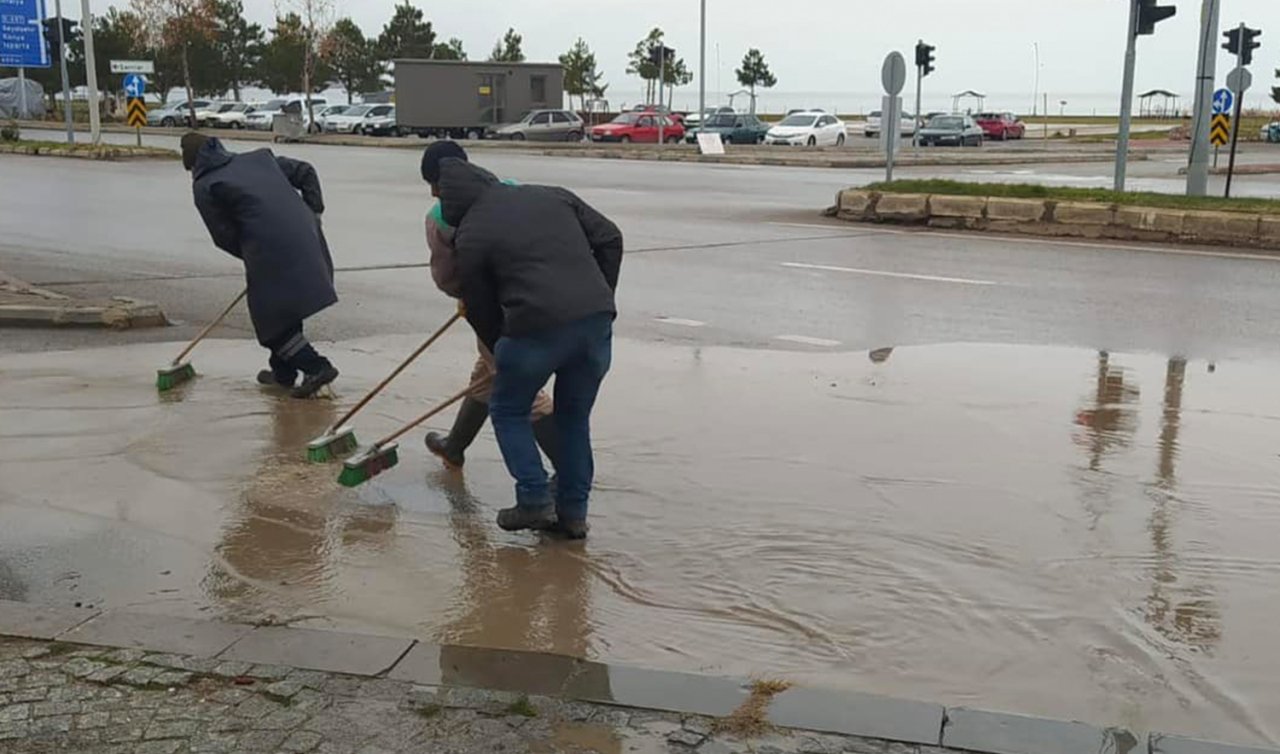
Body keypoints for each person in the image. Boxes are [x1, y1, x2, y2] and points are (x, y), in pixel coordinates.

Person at [439, 157, 622, 540]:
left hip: (535, 330)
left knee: (507, 409)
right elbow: (610, 238)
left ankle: (534, 498)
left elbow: (478, 304)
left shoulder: (470, 232)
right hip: (595, 323)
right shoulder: (552, 195)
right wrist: (603, 296)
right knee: (574, 420)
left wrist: (499, 343)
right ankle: (572, 516)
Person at [419, 142, 561, 471]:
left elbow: (447, 278)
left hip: (498, 311)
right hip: (548, 292)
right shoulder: (512, 189)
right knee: (487, 371)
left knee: (521, 388)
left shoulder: (439, 218)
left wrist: (466, 297)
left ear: (437, 183)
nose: (432, 194)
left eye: (431, 185)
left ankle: (568, 467)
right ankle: (454, 446)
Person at [181, 133, 339, 398]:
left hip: (271, 251)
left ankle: (317, 367)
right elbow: (305, 172)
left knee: (271, 327)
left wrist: (254, 257)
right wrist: (314, 214)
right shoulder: (259, 159)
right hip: (308, 237)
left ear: (192, 164)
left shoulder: (206, 185)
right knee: (284, 311)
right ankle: (283, 374)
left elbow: (224, 236)